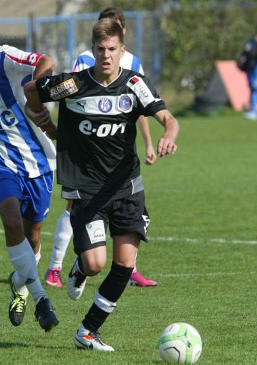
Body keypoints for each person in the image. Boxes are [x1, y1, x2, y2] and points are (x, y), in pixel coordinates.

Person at [24, 17, 180, 351]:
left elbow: (168, 118)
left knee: (124, 265)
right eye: (100, 49)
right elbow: (31, 92)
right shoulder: (73, 85)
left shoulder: (135, 84)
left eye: (112, 49)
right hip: (86, 189)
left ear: (122, 51)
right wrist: (49, 127)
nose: (106, 55)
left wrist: (168, 134)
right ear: (92, 50)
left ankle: (87, 331)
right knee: (96, 263)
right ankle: (80, 268)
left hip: (127, 188)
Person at [45, 7, 158, 289]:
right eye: (102, 43)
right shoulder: (84, 61)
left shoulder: (133, 66)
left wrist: (148, 142)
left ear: (122, 38)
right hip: (84, 159)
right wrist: (54, 129)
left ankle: (125, 269)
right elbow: (69, 96)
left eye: (114, 38)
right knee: (74, 208)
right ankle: (57, 267)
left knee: (121, 214)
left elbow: (139, 107)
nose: (107, 52)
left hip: (117, 155)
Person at [0, 14, 58, 332]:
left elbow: (47, 59)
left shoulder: (9, 58)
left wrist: (36, 88)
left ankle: (20, 285)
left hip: (39, 164)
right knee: (11, 221)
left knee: (32, 238)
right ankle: (42, 300)